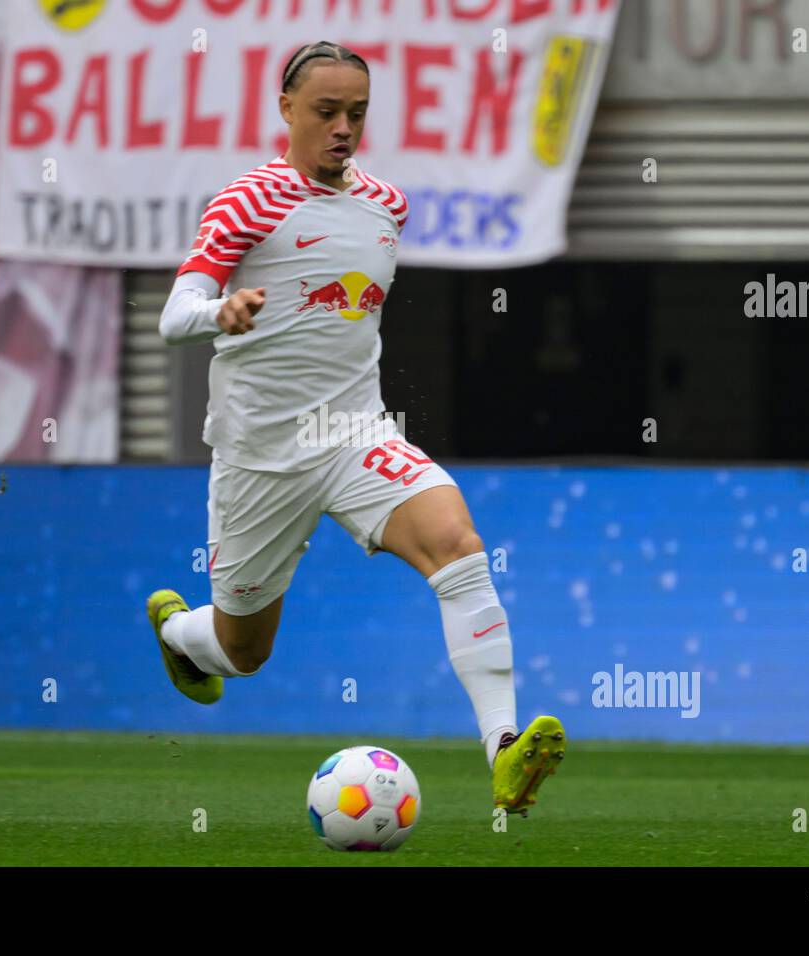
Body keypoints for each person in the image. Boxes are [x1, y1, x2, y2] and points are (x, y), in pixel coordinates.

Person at [148, 41, 564, 816]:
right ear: (287, 111)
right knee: (245, 651)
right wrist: (221, 311)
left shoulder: (386, 205)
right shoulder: (248, 200)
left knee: (460, 548)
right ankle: (179, 636)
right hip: (260, 456)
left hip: (354, 433)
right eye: (327, 112)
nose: (344, 128)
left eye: (358, 113)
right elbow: (175, 315)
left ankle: (504, 754)